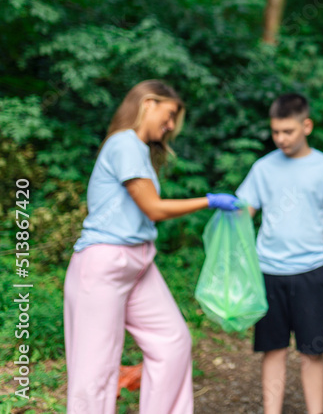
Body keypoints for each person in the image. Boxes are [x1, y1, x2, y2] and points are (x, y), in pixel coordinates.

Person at [64, 79, 241, 414]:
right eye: (170, 114)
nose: (172, 125)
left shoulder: (138, 150)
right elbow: (154, 208)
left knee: (173, 343)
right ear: (148, 103)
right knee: (95, 369)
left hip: (139, 263)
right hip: (104, 263)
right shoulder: (124, 144)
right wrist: (210, 200)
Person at [235, 93, 323, 414]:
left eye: (287, 131)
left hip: (311, 273)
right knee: (272, 349)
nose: (280, 139)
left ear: (307, 126)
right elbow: (243, 212)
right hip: (269, 272)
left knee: (312, 351)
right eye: (275, 132)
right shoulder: (263, 168)